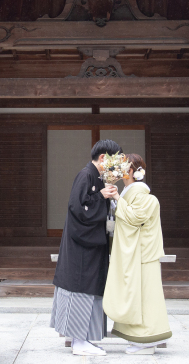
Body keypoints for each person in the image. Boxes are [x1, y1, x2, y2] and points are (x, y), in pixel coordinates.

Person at [50, 139, 121, 357]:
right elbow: (77, 208)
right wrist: (101, 196)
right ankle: (79, 341)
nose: (115, 168)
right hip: (82, 247)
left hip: (90, 244)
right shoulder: (86, 175)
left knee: (88, 288)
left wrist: (108, 197)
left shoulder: (96, 177)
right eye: (114, 162)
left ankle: (83, 338)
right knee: (80, 288)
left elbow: (92, 205)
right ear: (103, 158)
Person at [103, 153, 172, 354]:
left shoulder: (143, 197)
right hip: (136, 254)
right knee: (136, 297)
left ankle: (147, 341)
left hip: (143, 255)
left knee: (146, 298)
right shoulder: (131, 195)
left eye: (122, 167)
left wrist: (116, 198)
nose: (118, 171)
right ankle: (137, 339)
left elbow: (134, 218)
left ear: (131, 172)